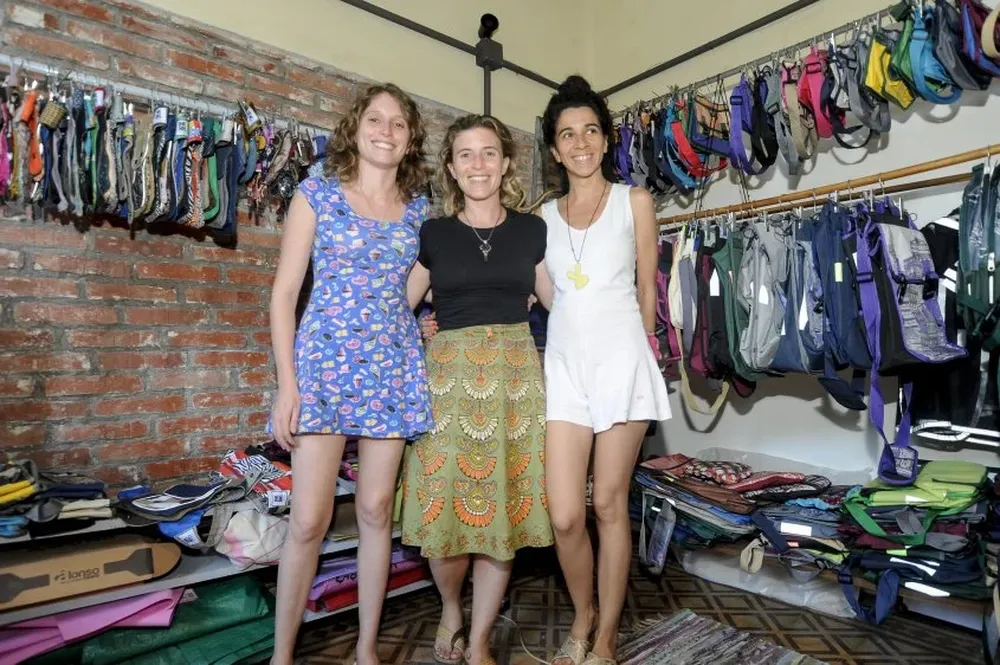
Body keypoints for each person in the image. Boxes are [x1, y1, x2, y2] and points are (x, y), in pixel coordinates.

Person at [267, 82, 434, 665]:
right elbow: (284, 295)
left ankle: (366, 650)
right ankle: (281, 656)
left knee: (374, 512)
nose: (386, 130)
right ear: (356, 127)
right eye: (376, 119)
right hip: (323, 369)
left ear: (410, 138)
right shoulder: (316, 194)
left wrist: (405, 323)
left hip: (389, 370)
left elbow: (411, 288)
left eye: (398, 123)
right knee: (309, 520)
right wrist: (288, 386)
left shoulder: (419, 212)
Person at [401, 114, 554, 665]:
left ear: (506, 163)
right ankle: (450, 608)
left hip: (515, 379)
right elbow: (401, 304)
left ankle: (483, 638)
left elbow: (560, 303)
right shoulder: (434, 232)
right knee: (443, 506)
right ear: (450, 167)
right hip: (447, 380)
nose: (478, 165)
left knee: (502, 512)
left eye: (488, 153)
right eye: (465, 155)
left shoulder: (532, 231)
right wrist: (417, 324)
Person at [540, 75, 671, 665]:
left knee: (610, 505)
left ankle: (608, 635)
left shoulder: (634, 201)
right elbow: (540, 295)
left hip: (622, 362)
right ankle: (583, 613)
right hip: (565, 366)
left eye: (590, 130)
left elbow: (648, 287)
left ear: (606, 138)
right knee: (566, 514)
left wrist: (645, 352)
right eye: (568, 134)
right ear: (554, 149)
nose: (581, 143)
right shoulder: (540, 218)